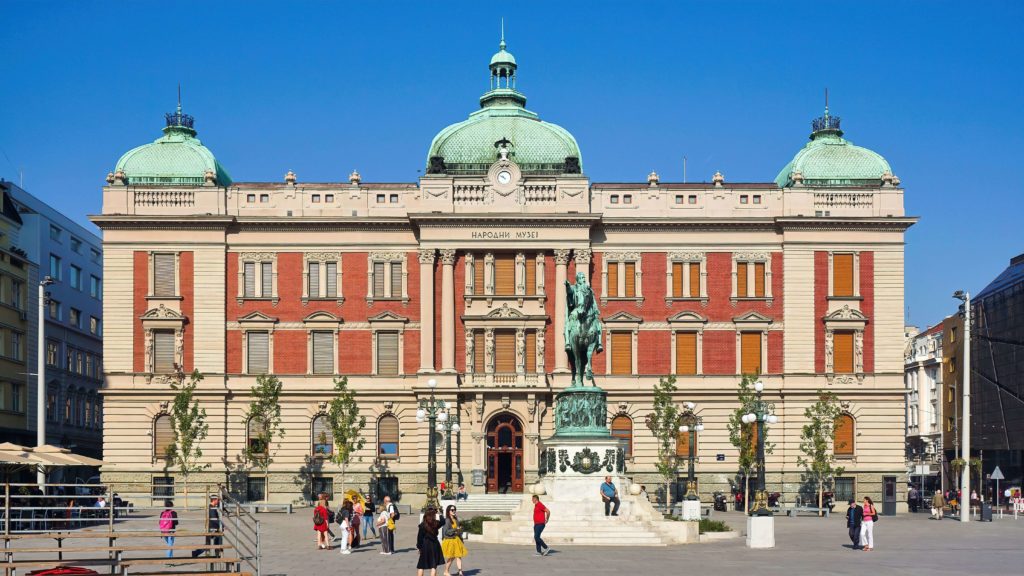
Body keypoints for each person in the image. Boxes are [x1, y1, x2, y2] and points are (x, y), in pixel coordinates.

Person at [416, 506, 445, 576]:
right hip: (434, 544)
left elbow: (419, 538)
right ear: (434, 515)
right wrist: (440, 513)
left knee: (421, 565)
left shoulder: (422, 525)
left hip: (425, 545)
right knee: (433, 565)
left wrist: (419, 547)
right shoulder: (436, 523)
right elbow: (443, 521)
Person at [442, 505, 467, 576]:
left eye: (454, 509)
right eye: (452, 510)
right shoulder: (447, 520)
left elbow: (458, 530)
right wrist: (455, 530)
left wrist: (460, 533)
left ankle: (460, 572)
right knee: (451, 557)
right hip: (450, 541)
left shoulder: (456, 519)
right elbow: (446, 532)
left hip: (456, 540)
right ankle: (446, 571)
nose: (454, 511)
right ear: (448, 511)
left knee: (458, 556)